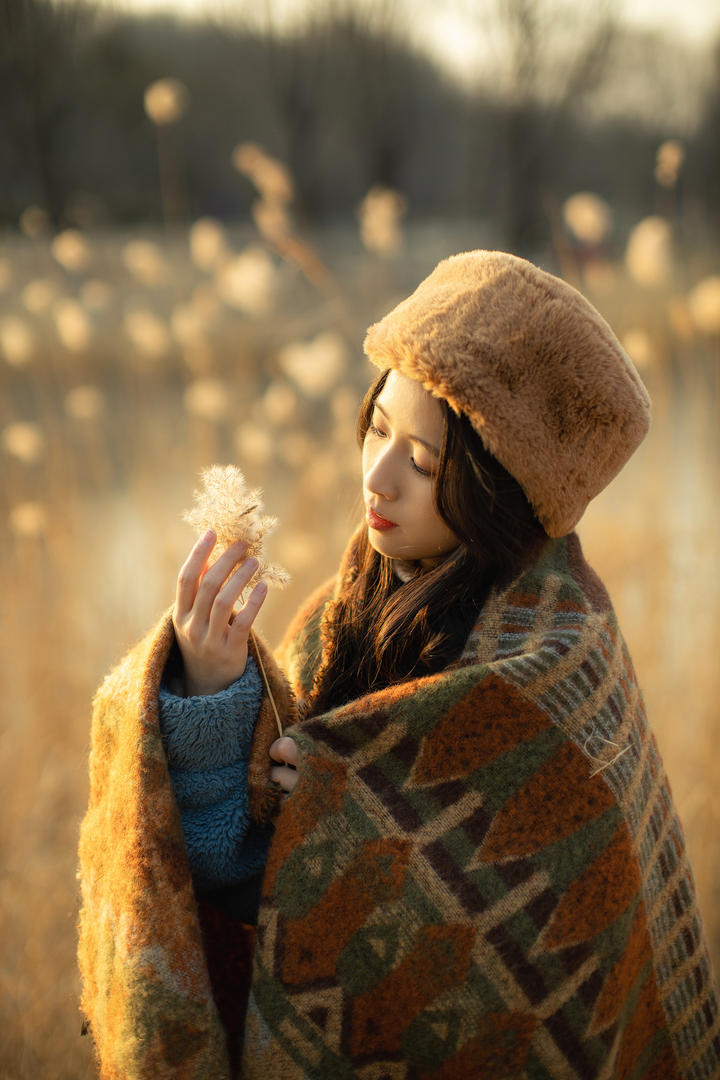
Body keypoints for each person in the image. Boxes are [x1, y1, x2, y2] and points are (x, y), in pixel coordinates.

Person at [77, 251, 720, 1080]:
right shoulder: (347, 610)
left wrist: (351, 817)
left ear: (503, 486)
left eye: (422, 461)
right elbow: (254, 904)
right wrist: (213, 686)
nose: (376, 477)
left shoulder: (555, 678)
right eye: (378, 428)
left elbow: (531, 996)